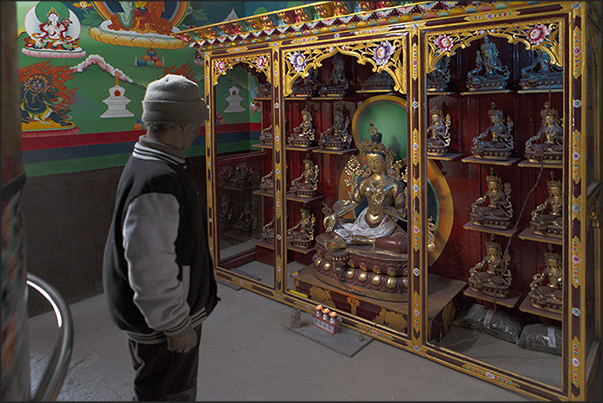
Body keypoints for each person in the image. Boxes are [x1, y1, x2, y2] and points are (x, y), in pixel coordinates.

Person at [103, 74, 219, 401]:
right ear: (179, 126)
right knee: (168, 390)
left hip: (153, 315)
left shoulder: (148, 161)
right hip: (162, 323)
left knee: (158, 381)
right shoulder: (158, 180)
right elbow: (149, 263)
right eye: (196, 125)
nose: (198, 133)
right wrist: (175, 323)